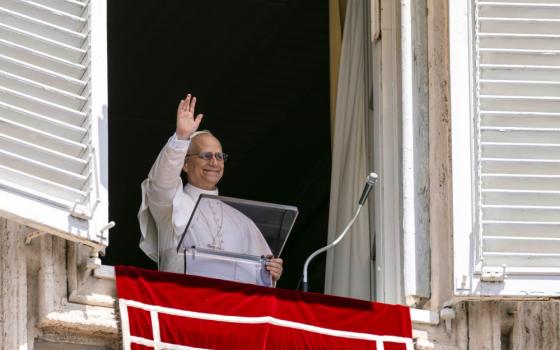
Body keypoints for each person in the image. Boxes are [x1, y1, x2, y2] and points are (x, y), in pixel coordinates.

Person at [138, 93, 284, 283]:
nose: (214, 162)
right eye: (206, 156)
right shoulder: (171, 205)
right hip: (181, 301)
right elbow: (161, 181)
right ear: (185, 163)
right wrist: (181, 137)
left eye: (219, 156)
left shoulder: (243, 222)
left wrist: (271, 272)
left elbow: (260, 275)